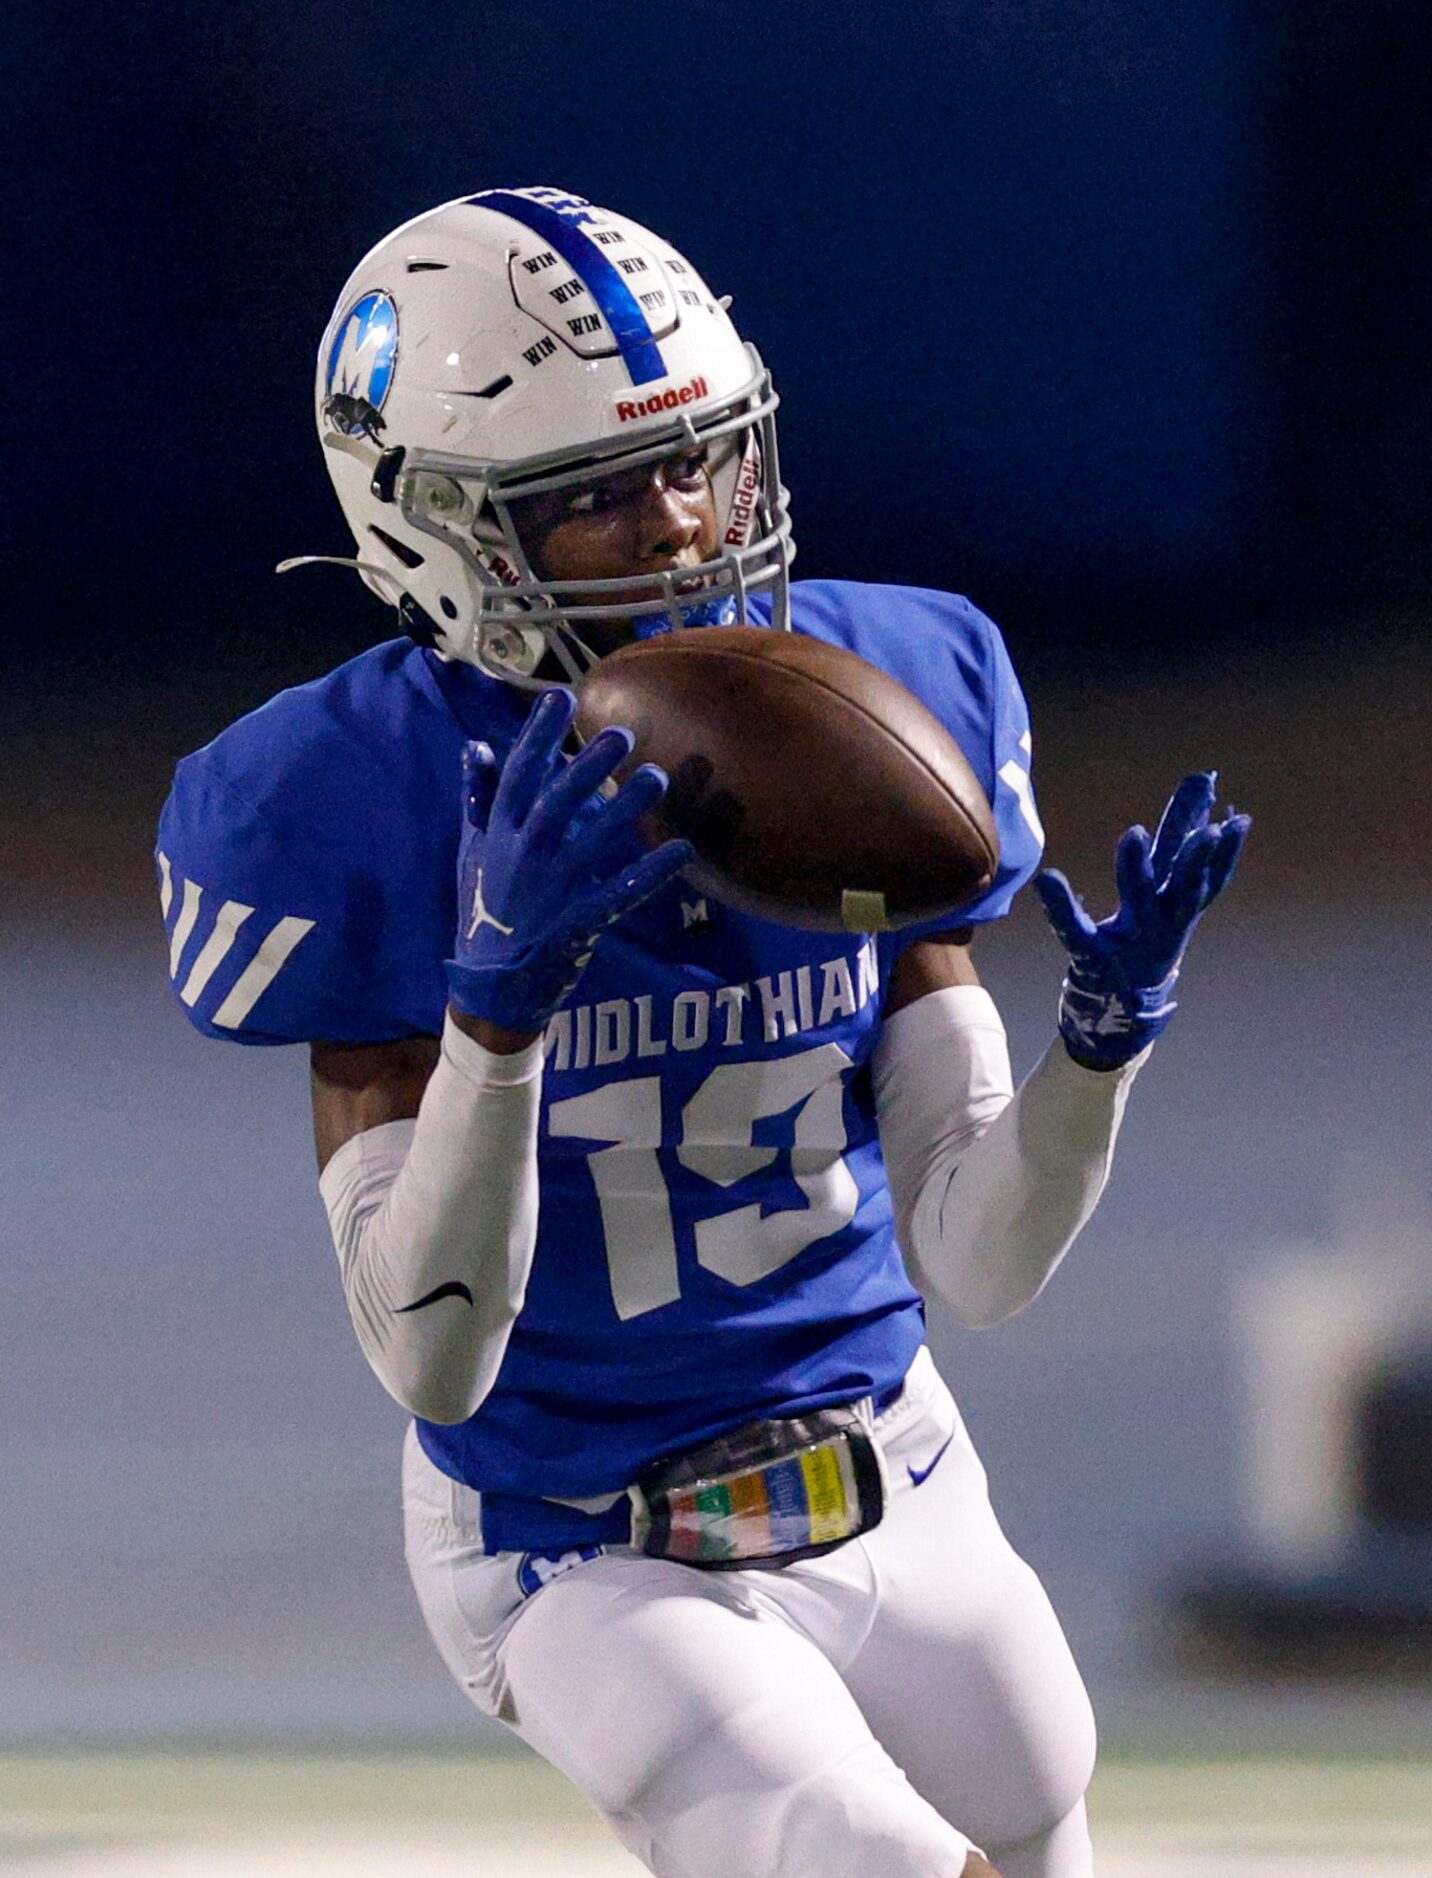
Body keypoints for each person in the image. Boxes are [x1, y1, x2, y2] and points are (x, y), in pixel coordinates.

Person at [157, 187, 1248, 1878]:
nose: (684, 524)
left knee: (1037, 1798)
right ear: (441, 528)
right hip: (577, 1532)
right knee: (851, 1855)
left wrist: (1100, 1051)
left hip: (880, 1439)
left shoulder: (878, 699)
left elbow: (979, 1252)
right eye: (597, 495)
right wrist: (498, 1011)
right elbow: (432, 1360)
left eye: (703, 458)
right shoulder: (354, 799)